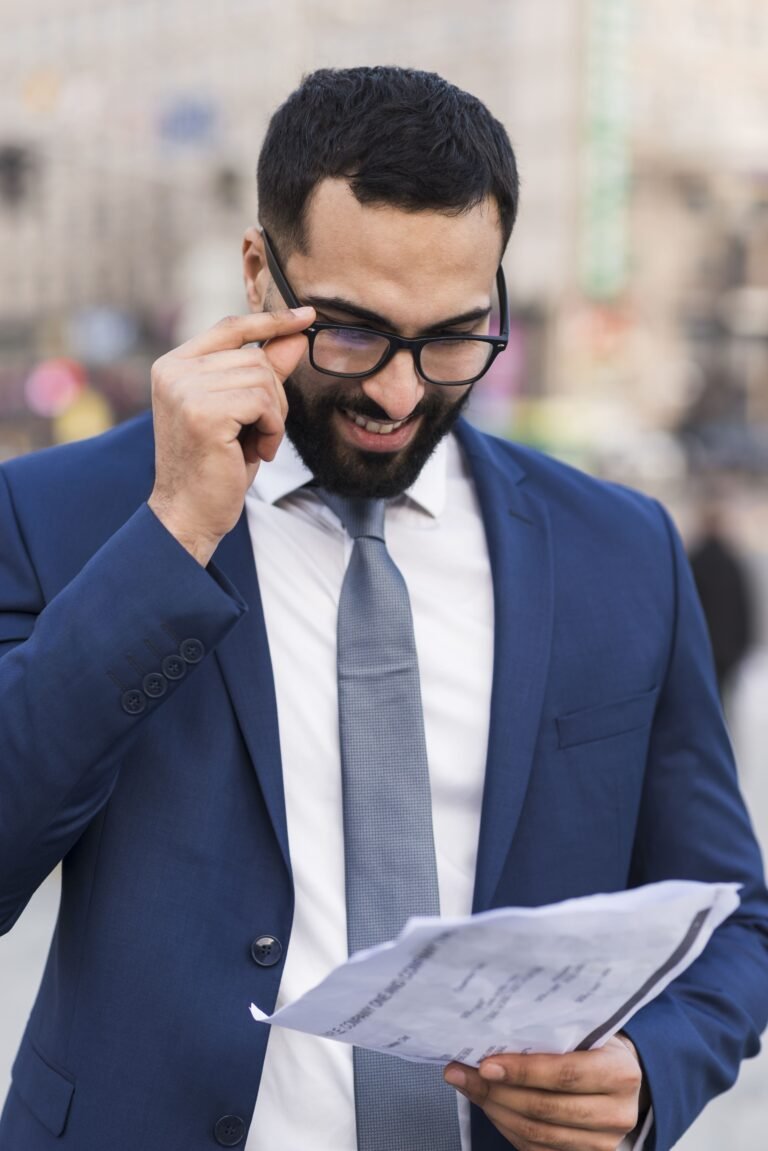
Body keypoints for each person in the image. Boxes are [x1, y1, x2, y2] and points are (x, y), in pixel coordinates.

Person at [0, 66, 766, 1151]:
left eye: (451, 336)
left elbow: (733, 915)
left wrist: (650, 1069)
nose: (399, 393)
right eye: (352, 332)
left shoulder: (621, 548)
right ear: (261, 273)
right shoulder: (60, 512)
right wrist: (171, 535)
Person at [688, 499, 757, 701]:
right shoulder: (731, 562)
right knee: (725, 698)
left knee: (705, 700)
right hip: (729, 648)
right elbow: (743, 606)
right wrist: (744, 643)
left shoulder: (693, 560)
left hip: (702, 646)